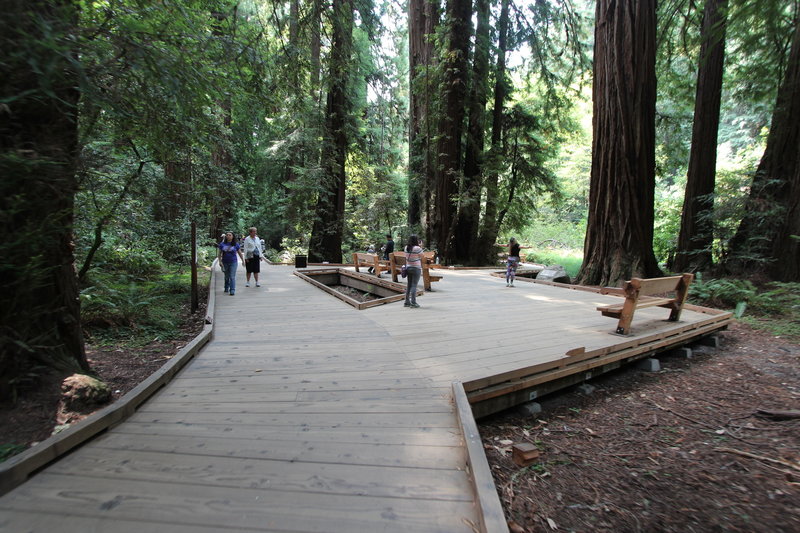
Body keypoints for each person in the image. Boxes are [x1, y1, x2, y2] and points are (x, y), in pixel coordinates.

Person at [403, 234, 423, 308]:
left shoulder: (406, 247)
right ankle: (413, 302)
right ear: (416, 240)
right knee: (414, 285)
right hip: (416, 268)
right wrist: (421, 247)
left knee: (409, 285)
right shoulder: (417, 248)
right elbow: (422, 256)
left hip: (408, 268)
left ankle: (406, 301)